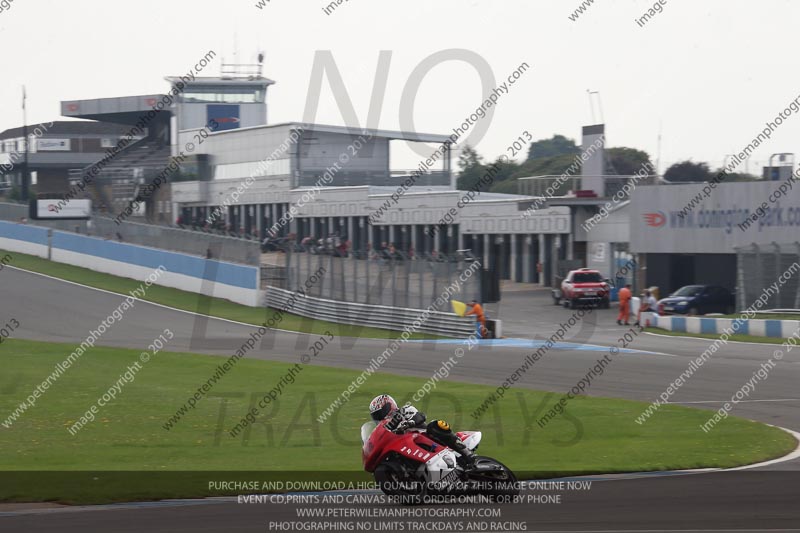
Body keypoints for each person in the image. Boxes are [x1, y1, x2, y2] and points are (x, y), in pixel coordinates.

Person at [368, 395, 475, 467]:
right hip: (408, 448)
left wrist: (410, 422)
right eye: (376, 416)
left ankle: (466, 453)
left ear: (390, 406)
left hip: (425, 437)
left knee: (435, 425)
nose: (379, 417)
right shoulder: (386, 428)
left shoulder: (404, 411)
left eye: (381, 412)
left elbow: (420, 416)